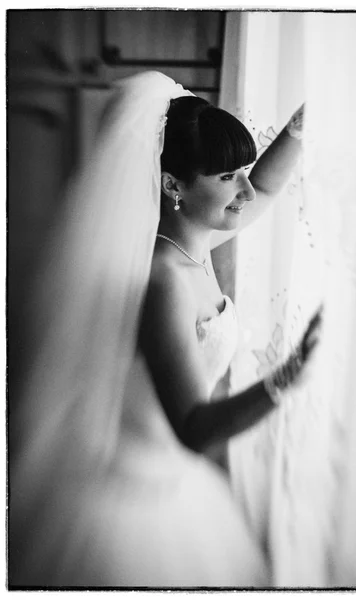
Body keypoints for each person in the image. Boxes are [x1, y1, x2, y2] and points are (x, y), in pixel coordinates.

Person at [9, 71, 321, 588]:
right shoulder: (164, 282)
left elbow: (263, 185)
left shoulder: (194, 246)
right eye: (226, 178)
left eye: (241, 169)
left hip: (175, 485)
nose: (244, 188)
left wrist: (299, 126)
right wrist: (287, 377)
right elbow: (194, 428)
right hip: (131, 505)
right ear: (173, 184)